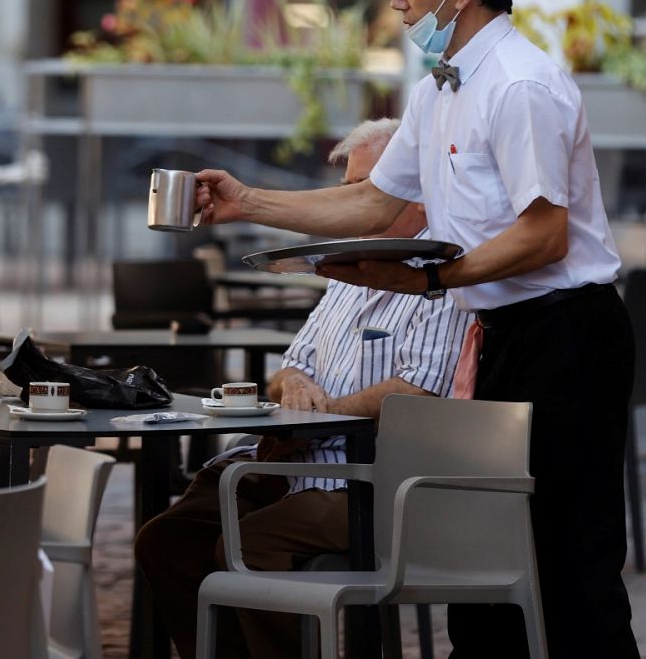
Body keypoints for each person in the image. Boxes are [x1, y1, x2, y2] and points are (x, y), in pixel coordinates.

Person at [193, 0, 637, 658]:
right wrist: (251, 203)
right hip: (499, 337)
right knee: (483, 562)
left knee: (570, 562)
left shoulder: (522, 83)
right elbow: (375, 200)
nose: (396, 1)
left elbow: (544, 234)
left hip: (569, 337)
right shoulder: (441, 85)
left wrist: (434, 279)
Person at [134, 119, 474, 659]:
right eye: (348, 190)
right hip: (291, 463)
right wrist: (293, 386)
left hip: (369, 481)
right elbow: (290, 366)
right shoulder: (347, 272)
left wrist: (323, 412)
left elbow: (419, 393)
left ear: (420, 193)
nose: (350, 203)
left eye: (365, 191)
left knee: (245, 546)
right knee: (167, 538)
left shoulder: (439, 279)